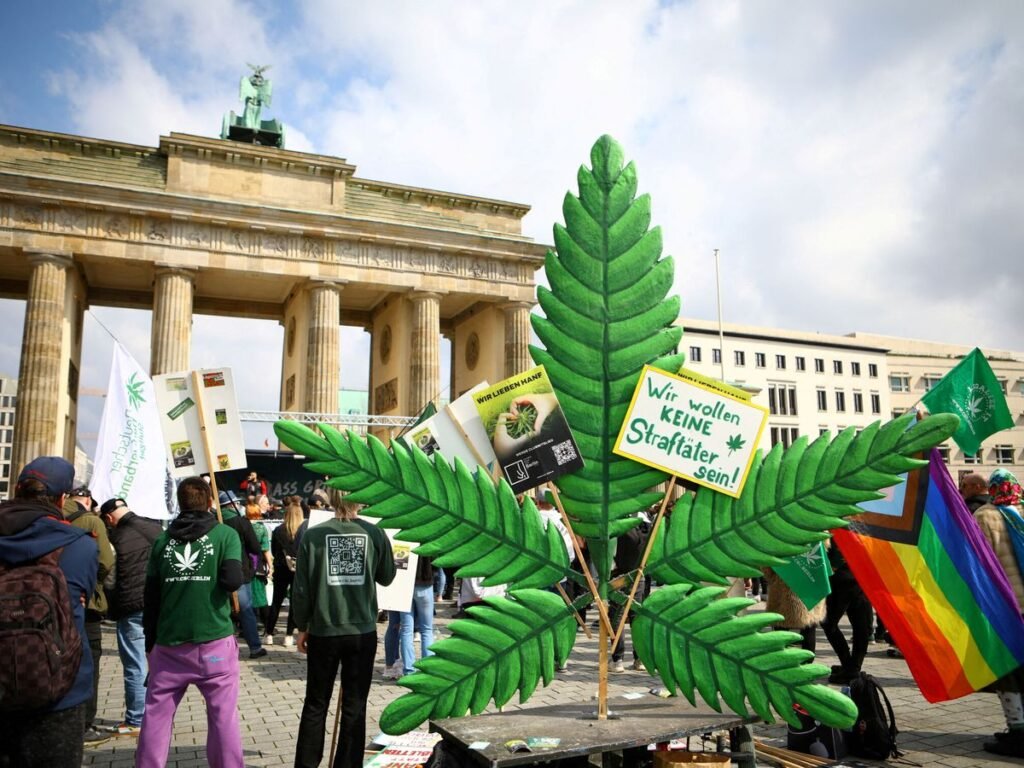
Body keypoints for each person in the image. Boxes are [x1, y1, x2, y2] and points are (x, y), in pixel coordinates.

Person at [137, 476, 245, 768]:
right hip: (214, 645)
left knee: (156, 718)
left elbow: (151, 597)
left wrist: (150, 643)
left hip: (169, 646)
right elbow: (233, 579)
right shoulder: (225, 535)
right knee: (223, 718)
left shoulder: (162, 541)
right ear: (210, 502)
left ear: (179, 503)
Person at [0, 457, 98, 768]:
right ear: (61, 498)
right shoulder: (81, 545)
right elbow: (82, 594)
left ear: (17, 490)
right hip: (61, 689)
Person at [293, 499, 396, 768]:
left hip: (323, 629)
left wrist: (301, 626)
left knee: (316, 703)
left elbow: (301, 587)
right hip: (361, 630)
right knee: (354, 706)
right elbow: (387, 576)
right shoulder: (374, 533)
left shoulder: (314, 534)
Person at [100, 496, 163, 737]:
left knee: (135, 663)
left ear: (108, 518)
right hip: (159, 605)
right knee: (159, 662)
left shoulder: (115, 538)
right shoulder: (156, 529)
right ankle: (159, 715)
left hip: (132, 606)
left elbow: (110, 578)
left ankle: (136, 718)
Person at [974, 469, 1024, 758]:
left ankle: (1017, 731)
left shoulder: (986, 515)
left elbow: (980, 563)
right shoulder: (1021, 512)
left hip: (1006, 606)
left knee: (1006, 670)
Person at [63, 484, 115, 747]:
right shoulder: (92, 520)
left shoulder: (48, 514)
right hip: (86, 604)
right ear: (87, 500)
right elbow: (105, 561)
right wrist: (91, 586)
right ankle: (84, 725)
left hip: (47, 602)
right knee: (88, 664)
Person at [219, 490, 266, 659]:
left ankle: (225, 650)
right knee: (246, 610)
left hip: (217, 572)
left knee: (222, 610)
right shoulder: (241, 522)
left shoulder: (215, 521)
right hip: (240, 571)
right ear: (232, 505)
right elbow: (255, 547)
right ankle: (254, 647)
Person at [821, 542, 872, 684]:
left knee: (828, 622)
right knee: (860, 623)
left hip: (843, 575)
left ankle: (851, 667)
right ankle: (852, 667)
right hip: (861, 573)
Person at [267, 499, 302, 647]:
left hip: (281, 568)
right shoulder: (302, 532)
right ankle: (288, 635)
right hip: (297, 569)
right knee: (294, 603)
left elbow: (274, 551)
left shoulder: (278, 530)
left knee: (276, 601)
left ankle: (268, 634)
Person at [245, 501, 273, 642]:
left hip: (245, 565)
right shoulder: (261, 528)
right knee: (262, 598)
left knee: (247, 599)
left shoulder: (243, 526)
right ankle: (267, 628)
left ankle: (249, 628)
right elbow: (266, 549)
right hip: (258, 565)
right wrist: (271, 566)